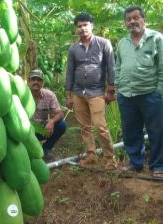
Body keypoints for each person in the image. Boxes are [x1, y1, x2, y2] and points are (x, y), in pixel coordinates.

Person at [115, 6, 163, 178]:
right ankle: (135, 163)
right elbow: (118, 66)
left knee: (157, 131)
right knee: (130, 131)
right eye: (128, 19)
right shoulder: (122, 43)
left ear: (144, 19)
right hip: (126, 95)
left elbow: (162, 67)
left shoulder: (156, 38)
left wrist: (159, 91)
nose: (132, 21)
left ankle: (158, 165)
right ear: (125, 23)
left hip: (150, 94)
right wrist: (119, 85)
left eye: (136, 17)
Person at [65, 13, 116, 170]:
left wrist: (111, 89)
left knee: (100, 126)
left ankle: (110, 159)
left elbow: (111, 67)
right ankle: (91, 156)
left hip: (97, 92)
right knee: (85, 127)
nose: (82, 28)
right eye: (79, 26)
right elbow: (70, 71)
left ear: (91, 25)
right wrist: (68, 95)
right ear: (76, 28)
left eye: (85, 25)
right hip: (78, 92)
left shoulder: (103, 43)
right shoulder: (73, 49)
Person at [28, 69, 67, 157]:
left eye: (39, 80)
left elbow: (60, 113)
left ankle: (46, 148)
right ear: (28, 81)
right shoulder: (22, 94)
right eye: (33, 79)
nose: (36, 82)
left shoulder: (49, 95)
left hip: (43, 129)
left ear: (43, 83)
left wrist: (51, 121)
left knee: (62, 125)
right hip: (26, 130)